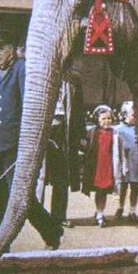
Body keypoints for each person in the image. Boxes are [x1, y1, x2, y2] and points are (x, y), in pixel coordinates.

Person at [0, 29, 62, 251]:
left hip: (16, 145)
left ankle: (51, 231)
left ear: (12, 49)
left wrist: (29, 143)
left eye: (0, 49)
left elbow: (30, 106)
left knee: (20, 198)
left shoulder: (21, 70)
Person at [45, 76, 84, 228]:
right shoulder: (42, 78)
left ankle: (58, 216)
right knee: (36, 177)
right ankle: (33, 215)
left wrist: (81, 135)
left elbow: (79, 111)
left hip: (65, 131)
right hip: (45, 129)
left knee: (61, 176)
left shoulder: (73, 83)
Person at [82, 104, 122, 228]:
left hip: (108, 167)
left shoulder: (115, 134)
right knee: (98, 190)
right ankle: (99, 212)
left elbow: (119, 151)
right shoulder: (93, 133)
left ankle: (100, 213)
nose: (106, 121)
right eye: (103, 119)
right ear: (97, 120)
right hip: (96, 166)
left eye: (109, 118)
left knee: (103, 191)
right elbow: (85, 148)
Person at [114, 101, 138, 223]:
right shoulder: (119, 129)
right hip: (125, 162)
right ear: (125, 114)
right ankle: (120, 207)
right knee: (123, 186)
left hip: (136, 162)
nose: (135, 117)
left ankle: (132, 210)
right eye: (133, 115)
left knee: (135, 187)